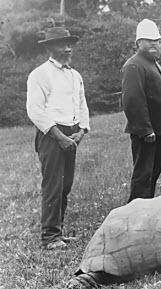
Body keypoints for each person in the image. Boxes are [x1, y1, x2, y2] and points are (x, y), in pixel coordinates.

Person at [26, 27, 89, 250]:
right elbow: (35, 110)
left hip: (72, 134)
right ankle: (49, 237)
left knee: (66, 185)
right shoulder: (40, 74)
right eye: (63, 43)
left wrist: (81, 131)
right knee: (52, 185)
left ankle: (58, 231)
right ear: (50, 47)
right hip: (51, 135)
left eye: (70, 43)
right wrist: (59, 136)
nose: (68, 47)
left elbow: (82, 105)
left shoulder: (75, 75)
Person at [121, 19, 161, 202]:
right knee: (143, 177)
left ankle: (147, 214)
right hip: (148, 132)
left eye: (157, 40)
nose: (155, 43)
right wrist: (145, 129)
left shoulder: (153, 64)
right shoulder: (134, 65)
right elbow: (132, 100)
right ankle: (135, 216)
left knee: (152, 175)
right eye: (149, 40)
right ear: (139, 43)